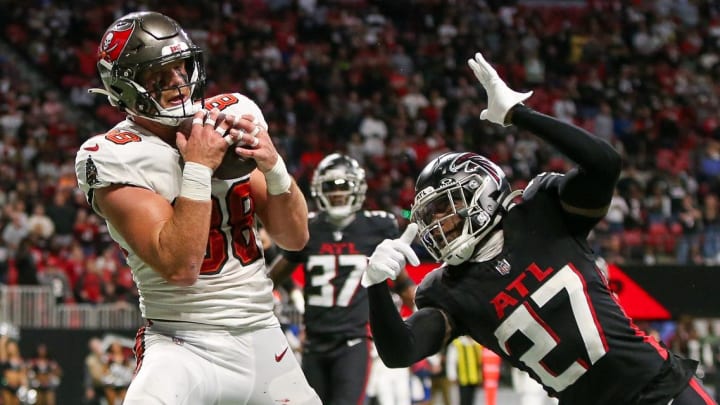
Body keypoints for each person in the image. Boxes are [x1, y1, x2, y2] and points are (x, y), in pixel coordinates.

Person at [361, 51, 717, 405]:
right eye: (430, 216)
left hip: (658, 387)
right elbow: (400, 352)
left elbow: (604, 164)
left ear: (480, 193)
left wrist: (520, 116)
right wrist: (376, 285)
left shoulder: (540, 211)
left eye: (444, 208)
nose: (438, 224)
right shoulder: (447, 290)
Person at [75, 11, 320, 405]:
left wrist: (275, 168)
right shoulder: (112, 155)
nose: (178, 83)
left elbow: (295, 237)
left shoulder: (229, 115)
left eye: (182, 66)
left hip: (262, 334)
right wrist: (199, 169)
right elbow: (181, 266)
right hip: (182, 343)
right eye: (159, 74)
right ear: (125, 88)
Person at [268, 153, 416, 405]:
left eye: (343, 186)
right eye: (330, 187)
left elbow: (402, 283)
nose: (337, 194)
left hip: (353, 341)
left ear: (358, 187)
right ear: (318, 189)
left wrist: (423, 314)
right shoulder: (309, 227)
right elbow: (270, 279)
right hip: (314, 341)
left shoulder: (376, 227)